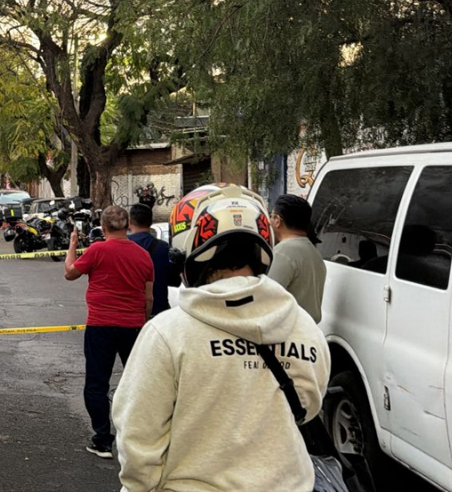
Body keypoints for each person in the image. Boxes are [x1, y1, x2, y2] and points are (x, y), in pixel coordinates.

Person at [112, 186, 330, 491]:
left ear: (193, 254)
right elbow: (307, 408)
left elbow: (138, 435)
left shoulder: (168, 333)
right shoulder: (305, 329)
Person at [64, 205, 154, 459]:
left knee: (96, 384)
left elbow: (70, 273)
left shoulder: (97, 250)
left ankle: (102, 439)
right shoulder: (143, 255)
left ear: (103, 228)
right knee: (137, 383)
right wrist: (143, 321)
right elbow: (149, 297)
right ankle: (140, 437)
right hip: (133, 326)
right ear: (127, 226)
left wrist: (72, 245)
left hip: (101, 325)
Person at [268, 194, 327, 323]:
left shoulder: (283, 252)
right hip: (308, 330)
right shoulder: (314, 253)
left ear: (277, 220)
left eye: (271, 216)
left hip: (288, 332)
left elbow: (267, 299)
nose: (269, 221)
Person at [126, 204, 171, 317]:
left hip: (128, 312)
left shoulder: (121, 247)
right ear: (151, 222)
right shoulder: (163, 248)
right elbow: (174, 279)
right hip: (158, 312)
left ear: (130, 222)